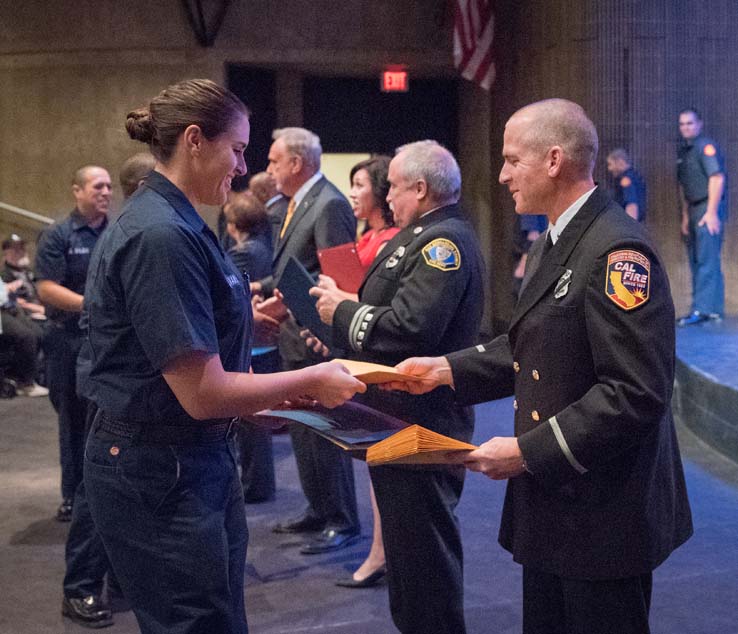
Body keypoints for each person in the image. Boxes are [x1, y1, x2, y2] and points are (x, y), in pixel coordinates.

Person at [385, 99, 693, 634]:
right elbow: (537, 344)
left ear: (554, 160)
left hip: (602, 509)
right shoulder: (559, 237)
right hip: (559, 500)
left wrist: (528, 452)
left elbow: (636, 391)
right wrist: (445, 369)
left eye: (511, 160)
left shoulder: (616, 250)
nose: (502, 175)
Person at [80, 79, 364, 634]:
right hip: (161, 465)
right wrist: (308, 377)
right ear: (194, 140)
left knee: (215, 617)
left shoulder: (181, 219)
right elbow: (202, 392)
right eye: (236, 149)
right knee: (198, 622)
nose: (241, 166)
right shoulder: (161, 233)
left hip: (184, 458)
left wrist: (257, 364)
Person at [310, 140, 485, 633]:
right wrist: (347, 301)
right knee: (408, 560)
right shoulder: (421, 235)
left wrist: (343, 311)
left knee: (425, 558)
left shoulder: (442, 242)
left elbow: (414, 328)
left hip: (423, 416)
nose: (387, 198)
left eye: (393, 188)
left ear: (421, 188)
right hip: (396, 415)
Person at [254, 127, 361, 555]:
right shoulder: (299, 201)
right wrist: (259, 286)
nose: (269, 169)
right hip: (293, 334)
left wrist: (318, 329)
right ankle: (318, 509)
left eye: (274, 161)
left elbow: (339, 277)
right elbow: (294, 267)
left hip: (314, 337)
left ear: (296, 163)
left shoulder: (330, 203)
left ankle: (342, 520)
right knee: (303, 429)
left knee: (327, 432)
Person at [35, 165, 111, 523]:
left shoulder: (116, 232)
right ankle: (72, 496)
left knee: (104, 419)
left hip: (104, 339)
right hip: (67, 338)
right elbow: (46, 287)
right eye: (97, 186)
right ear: (77, 191)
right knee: (72, 420)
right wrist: (90, 303)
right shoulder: (59, 235)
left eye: (110, 187)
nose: (106, 193)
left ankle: (101, 493)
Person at [224, 192, 279, 503]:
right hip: (265, 341)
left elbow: (236, 294)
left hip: (253, 342)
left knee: (253, 422)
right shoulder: (266, 246)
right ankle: (258, 483)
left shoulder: (241, 253)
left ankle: (256, 485)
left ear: (234, 225)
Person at [676, 108, 726, 326]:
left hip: (707, 207)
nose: (686, 127)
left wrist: (712, 212)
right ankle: (712, 309)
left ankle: (703, 309)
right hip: (694, 208)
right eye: (682, 124)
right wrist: (686, 217)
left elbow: (716, 178)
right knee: (701, 259)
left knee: (706, 260)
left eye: (690, 123)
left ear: (700, 124)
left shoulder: (704, 147)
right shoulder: (684, 151)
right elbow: (684, 187)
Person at [0, 277, 48, 396]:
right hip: (2, 310)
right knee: (27, 336)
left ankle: (34, 377)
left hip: (11, 307)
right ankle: (26, 384)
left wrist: (8, 288)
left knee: (39, 333)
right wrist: (7, 289)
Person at [2, 234, 46, 320]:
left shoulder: (29, 272)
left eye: (22, 248)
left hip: (43, 311)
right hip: (25, 318)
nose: (22, 252)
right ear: (6, 254)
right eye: (16, 250)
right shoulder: (5, 276)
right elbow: (13, 302)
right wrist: (41, 309)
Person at [606, 148, 647, 222]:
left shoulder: (626, 180)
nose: (609, 169)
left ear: (620, 162)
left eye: (610, 164)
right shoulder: (635, 176)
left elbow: (631, 205)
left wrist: (630, 227)